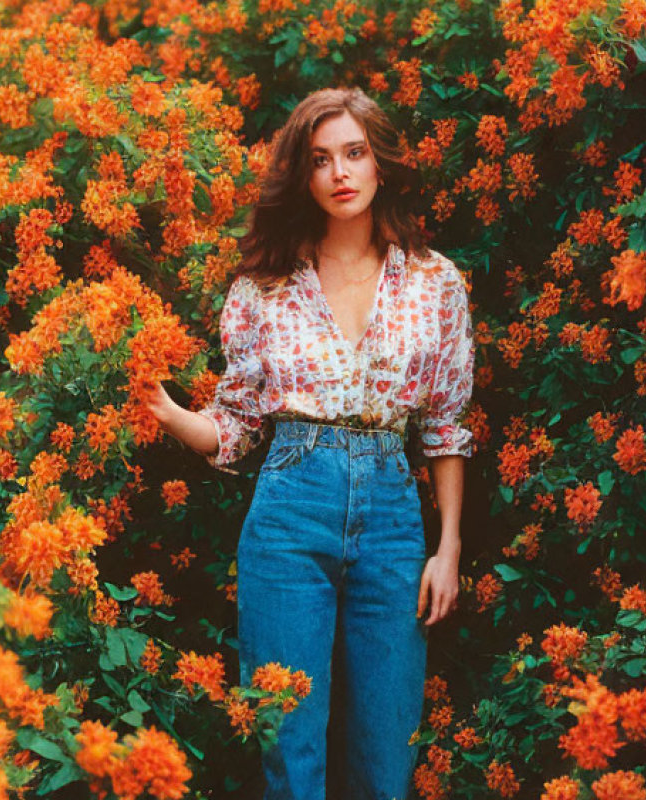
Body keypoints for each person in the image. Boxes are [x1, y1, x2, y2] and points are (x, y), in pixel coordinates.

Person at [146, 87, 474, 800]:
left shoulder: (435, 282)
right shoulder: (264, 288)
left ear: (379, 163)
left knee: (387, 754)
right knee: (288, 746)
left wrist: (446, 550)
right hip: (291, 507)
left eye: (354, 153)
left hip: (393, 517)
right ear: (304, 175)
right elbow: (234, 426)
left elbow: (446, 425)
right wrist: (170, 414)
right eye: (321, 159)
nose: (340, 173)